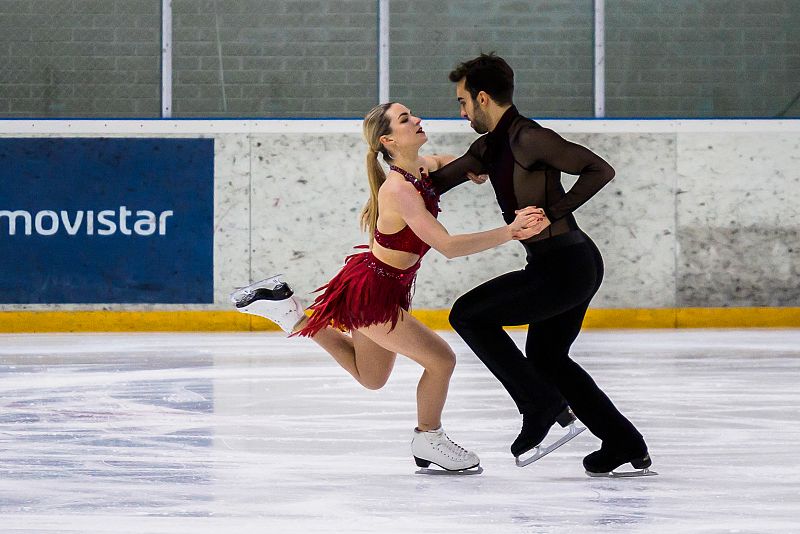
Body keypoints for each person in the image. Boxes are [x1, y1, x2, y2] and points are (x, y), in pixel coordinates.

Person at [230, 102, 544, 474]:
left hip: (380, 285)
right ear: (389, 139)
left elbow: (451, 163)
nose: (417, 119)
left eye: (413, 114)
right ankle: (429, 438)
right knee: (441, 360)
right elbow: (447, 246)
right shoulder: (398, 190)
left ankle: (292, 315)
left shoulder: (422, 167)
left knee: (372, 378)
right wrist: (509, 231)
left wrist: (480, 169)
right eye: (406, 119)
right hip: (373, 295)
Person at [430, 53, 652, 477]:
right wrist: (405, 163)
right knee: (548, 357)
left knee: (469, 316)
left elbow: (598, 169)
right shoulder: (488, 147)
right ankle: (624, 441)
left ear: (482, 98)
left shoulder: (528, 138)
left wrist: (553, 211)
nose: (461, 113)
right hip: (557, 264)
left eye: (462, 103)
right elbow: (439, 183)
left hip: (568, 265)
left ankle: (539, 404)